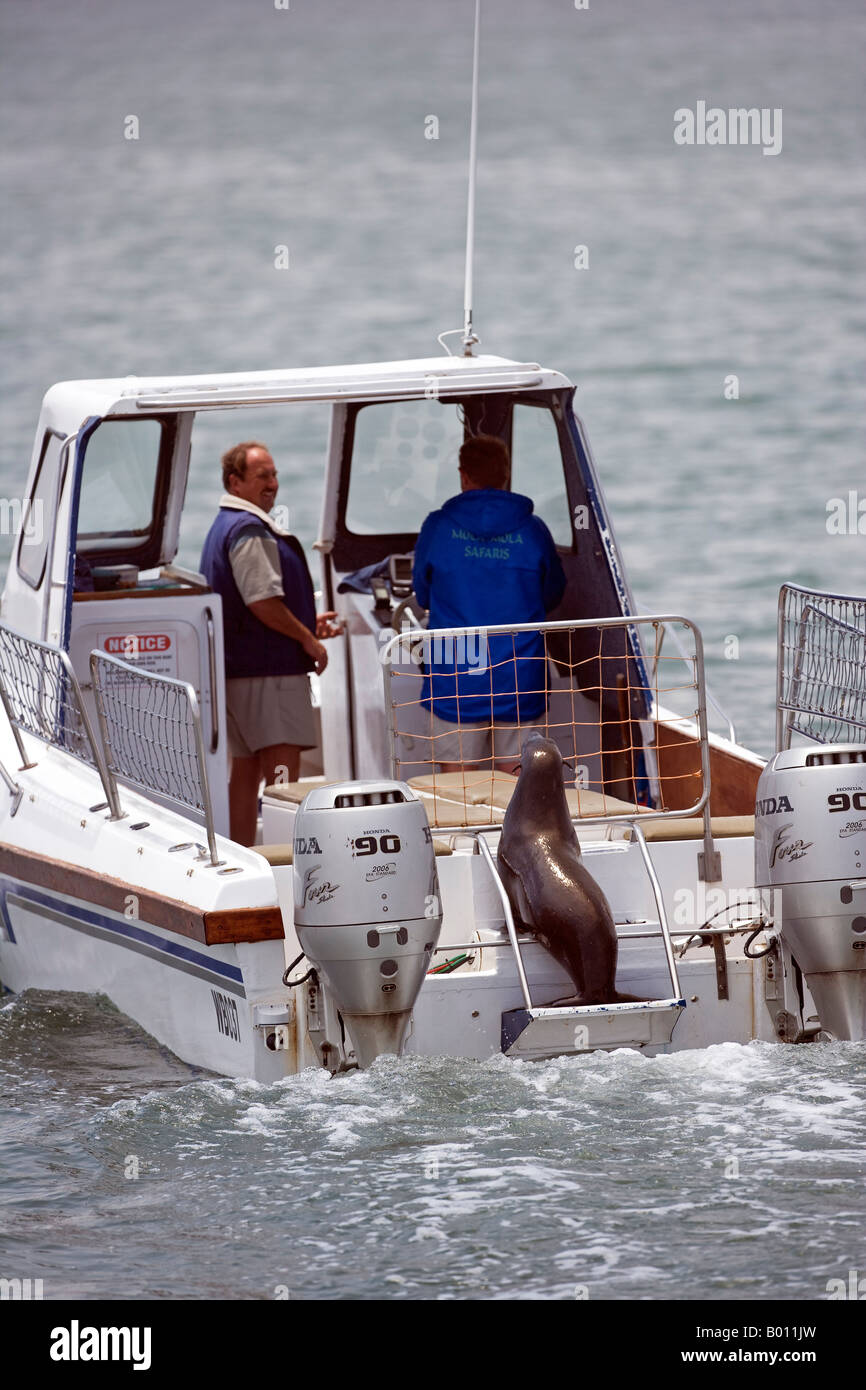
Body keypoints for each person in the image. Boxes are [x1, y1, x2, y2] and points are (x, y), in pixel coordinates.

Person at [200, 441, 341, 845]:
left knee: (244, 775)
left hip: (239, 674)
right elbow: (261, 600)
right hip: (270, 676)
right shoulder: (248, 529)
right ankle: (282, 863)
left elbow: (247, 604)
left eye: (274, 475)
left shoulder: (222, 526)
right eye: (262, 475)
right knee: (282, 781)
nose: (273, 484)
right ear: (235, 481)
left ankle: (241, 856)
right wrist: (308, 640)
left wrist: (307, 624)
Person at [412, 433, 566, 771]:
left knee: (458, 792)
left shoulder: (437, 528)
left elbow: (422, 594)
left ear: (463, 475)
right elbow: (554, 591)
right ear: (505, 474)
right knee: (519, 782)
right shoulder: (533, 529)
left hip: (455, 678)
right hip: (520, 677)